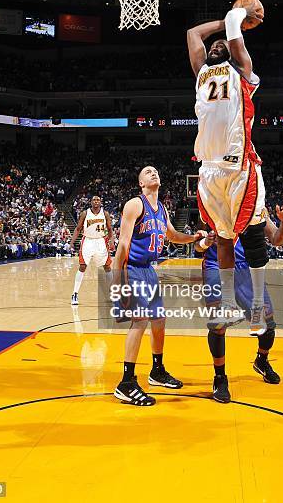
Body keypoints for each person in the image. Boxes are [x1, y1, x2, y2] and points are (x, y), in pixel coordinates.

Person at [187, 3, 268, 336]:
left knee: (253, 235)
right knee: (222, 238)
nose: (216, 44)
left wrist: (238, 18)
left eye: (222, 44)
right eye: (214, 44)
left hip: (239, 167)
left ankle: (259, 310)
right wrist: (222, 21)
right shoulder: (202, 73)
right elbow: (193, 34)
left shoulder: (243, 72)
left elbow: (235, 41)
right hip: (208, 170)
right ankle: (230, 305)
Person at [113, 166, 204, 406]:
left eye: (155, 171)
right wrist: (117, 279)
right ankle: (126, 381)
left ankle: (157, 370)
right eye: (147, 172)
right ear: (141, 183)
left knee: (159, 320)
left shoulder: (162, 209)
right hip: (132, 268)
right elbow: (123, 244)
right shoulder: (135, 204)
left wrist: (194, 238)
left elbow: (172, 235)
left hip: (150, 270)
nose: (153, 172)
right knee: (140, 320)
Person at [195, 205, 283, 403]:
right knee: (218, 324)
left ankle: (261, 360)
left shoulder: (256, 206)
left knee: (268, 324)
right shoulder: (211, 201)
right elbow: (197, 246)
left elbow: (276, 239)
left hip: (245, 268)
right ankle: (220, 378)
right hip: (216, 266)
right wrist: (206, 242)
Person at [70, 196, 114, 306]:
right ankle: (75, 293)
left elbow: (109, 229)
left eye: (98, 200)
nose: (96, 201)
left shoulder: (105, 214)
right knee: (83, 266)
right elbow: (78, 228)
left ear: (100, 202)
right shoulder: (85, 213)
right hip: (88, 241)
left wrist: (111, 241)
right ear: (91, 202)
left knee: (107, 267)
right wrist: (72, 241)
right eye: (94, 200)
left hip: (101, 241)